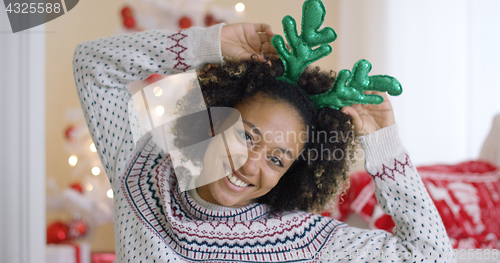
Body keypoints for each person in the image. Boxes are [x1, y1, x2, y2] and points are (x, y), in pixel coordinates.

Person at [73, 23, 455, 262]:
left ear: (291, 173)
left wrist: (386, 148)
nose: (250, 165)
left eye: (277, 159)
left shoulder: (299, 240)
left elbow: (429, 256)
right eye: (245, 135)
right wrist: (208, 43)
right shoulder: (141, 170)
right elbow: (92, 66)